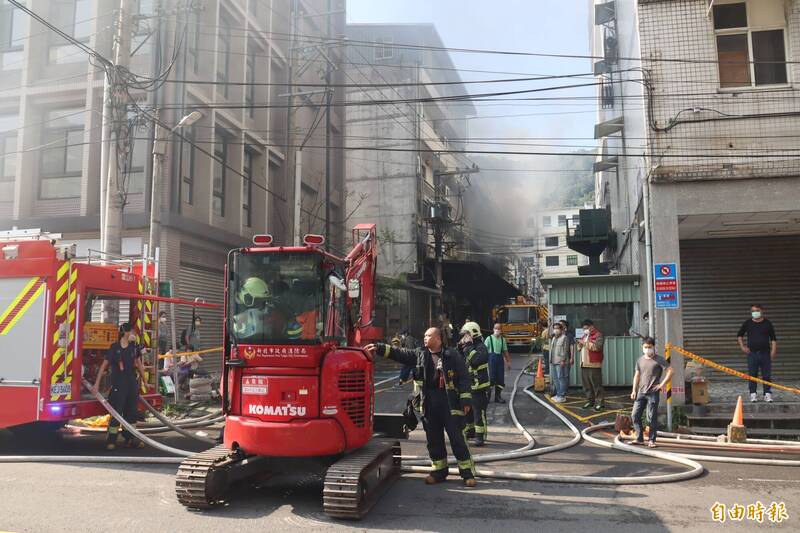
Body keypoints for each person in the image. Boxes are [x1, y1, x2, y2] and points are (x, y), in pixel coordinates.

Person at [365, 328, 477, 487]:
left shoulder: (452, 355)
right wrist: (380, 348)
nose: (425, 338)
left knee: (457, 439)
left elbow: (464, 377)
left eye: (428, 336)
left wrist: (466, 400)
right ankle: (439, 471)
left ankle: (467, 474)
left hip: (449, 402)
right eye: (424, 335)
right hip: (429, 402)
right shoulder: (420, 354)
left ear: (438, 339)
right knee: (434, 439)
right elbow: (400, 353)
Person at [92, 323, 147, 450]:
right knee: (117, 412)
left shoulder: (134, 348)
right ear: (125, 333)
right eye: (131, 331)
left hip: (131, 384)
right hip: (119, 385)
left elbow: (139, 365)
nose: (133, 334)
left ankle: (131, 438)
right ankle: (111, 439)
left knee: (132, 412)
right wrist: (96, 384)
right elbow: (103, 366)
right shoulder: (114, 348)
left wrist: (145, 381)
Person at [629, 337, 673, 448]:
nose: (647, 349)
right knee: (635, 415)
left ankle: (652, 440)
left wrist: (662, 384)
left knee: (651, 417)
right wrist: (634, 390)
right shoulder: (639, 360)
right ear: (642, 347)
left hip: (653, 393)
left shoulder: (659, 359)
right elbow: (637, 375)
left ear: (654, 347)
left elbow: (671, 371)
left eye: (650, 347)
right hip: (641, 392)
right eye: (645, 347)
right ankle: (639, 439)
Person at [458, 321, 491, 446]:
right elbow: (460, 361)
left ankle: (480, 436)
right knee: (467, 412)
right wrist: (460, 348)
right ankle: (470, 431)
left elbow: (476, 360)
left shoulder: (481, 347)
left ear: (473, 333)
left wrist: (468, 347)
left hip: (479, 387)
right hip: (467, 386)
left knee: (478, 413)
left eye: (466, 334)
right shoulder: (467, 347)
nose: (464, 337)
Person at [737, 304, 778, 403]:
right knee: (752, 375)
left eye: (757, 310)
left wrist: (773, 351)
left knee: (766, 375)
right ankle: (753, 394)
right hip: (752, 354)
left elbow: (773, 338)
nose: (755, 312)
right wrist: (743, 346)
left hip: (765, 353)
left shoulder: (767, 323)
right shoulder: (748, 323)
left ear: (761, 311)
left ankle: (767, 394)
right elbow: (739, 335)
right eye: (753, 311)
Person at [577, 319, 605, 411]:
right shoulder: (585, 335)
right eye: (583, 328)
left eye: (586, 328)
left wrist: (584, 343)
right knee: (587, 385)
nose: (585, 329)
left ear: (592, 326)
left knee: (596, 385)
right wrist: (579, 344)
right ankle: (590, 401)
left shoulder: (598, 335)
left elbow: (597, 347)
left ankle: (600, 403)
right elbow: (579, 348)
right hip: (584, 363)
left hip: (594, 364)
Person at [485, 323, 512, 403]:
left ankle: (498, 397)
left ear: (501, 330)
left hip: (500, 361)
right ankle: (488, 397)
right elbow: (484, 351)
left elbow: (505, 351)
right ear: (493, 329)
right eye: (495, 328)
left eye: (498, 328)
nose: (497, 330)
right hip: (491, 361)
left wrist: (508, 362)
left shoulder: (502, 339)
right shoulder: (489, 339)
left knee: (500, 379)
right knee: (491, 379)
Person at [549, 322, 572, 403]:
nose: (555, 330)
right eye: (554, 328)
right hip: (553, 361)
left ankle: (562, 396)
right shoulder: (554, 338)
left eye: (557, 328)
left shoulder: (564, 338)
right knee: (555, 379)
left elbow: (565, 350)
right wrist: (549, 325)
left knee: (562, 378)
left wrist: (563, 360)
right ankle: (558, 394)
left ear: (561, 329)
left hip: (560, 362)